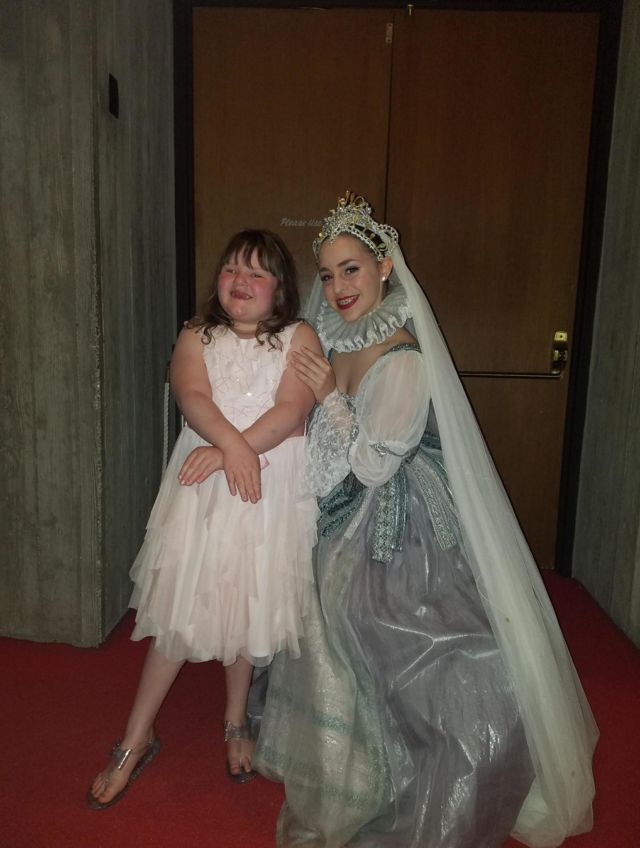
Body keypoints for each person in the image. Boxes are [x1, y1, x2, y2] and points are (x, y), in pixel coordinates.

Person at [253, 194, 598, 848]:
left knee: (426, 639)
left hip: (398, 519)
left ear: (384, 267)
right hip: (338, 511)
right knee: (334, 623)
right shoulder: (336, 334)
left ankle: (419, 757)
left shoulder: (402, 357)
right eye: (327, 274)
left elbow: (372, 467)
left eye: (351, 269)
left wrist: (328, 396)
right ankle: (360, 762)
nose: (338, 287)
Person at [87, 229, 321, 809]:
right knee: (181, 608)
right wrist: (228, 448)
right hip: (202, 490)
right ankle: (136, 737)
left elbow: (293, 408)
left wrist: (230, 453)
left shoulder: (299, 335)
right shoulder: (198, 333)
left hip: (268, 487)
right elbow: (190, 394)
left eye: (256, 273)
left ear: (279, 289)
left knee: (245, 600)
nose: (240, 281)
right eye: (231, 269)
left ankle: (236, 718)